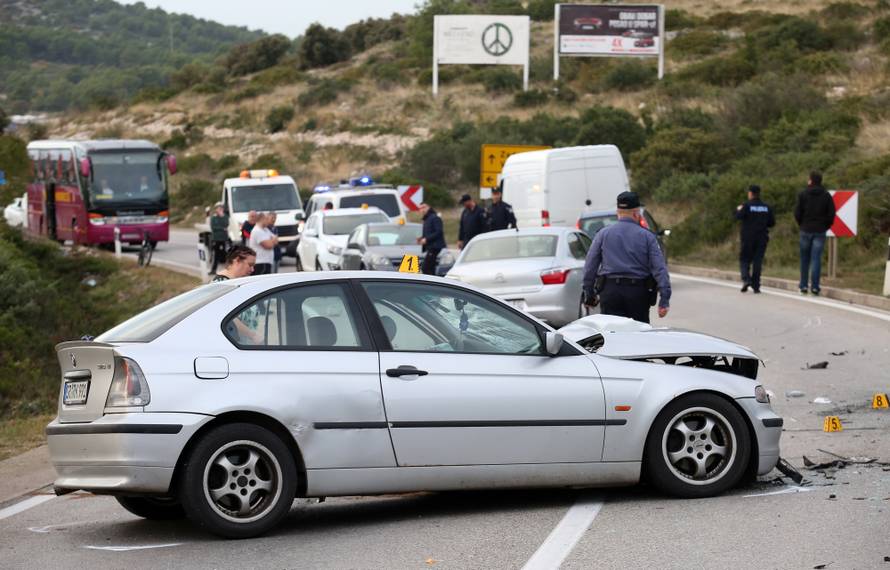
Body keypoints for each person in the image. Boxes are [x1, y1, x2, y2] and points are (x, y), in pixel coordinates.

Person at [582, 191, 671, 324]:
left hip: (610, 293)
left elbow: (590, 266)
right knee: (638, 336)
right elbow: (660, 269)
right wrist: (664, 300)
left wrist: (589, 294)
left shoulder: (603, 234)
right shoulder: (647, 237)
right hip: (638, 294)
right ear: (636, 213)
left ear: (618, 212)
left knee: (612, 336)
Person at [793, 171, 836, 295]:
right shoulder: (826, 195)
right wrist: (826, 226)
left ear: (811, 181)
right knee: (816, 259)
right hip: (820, 231)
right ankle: (815, 287)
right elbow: (831, 214)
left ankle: (803, 285)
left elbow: (797, 213)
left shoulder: (803, 194)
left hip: (805, 229)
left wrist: (801, 224)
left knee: (804, 259)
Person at [735, 185, 775, 294]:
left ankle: (746, 279)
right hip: (762, 237)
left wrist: (738, 209)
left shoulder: (746, 205)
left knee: (744, 259)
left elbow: (738, 216)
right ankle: (756, 285)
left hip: (748, 237)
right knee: (758, 261)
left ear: (751, 193)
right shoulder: (766, 207)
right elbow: (772, 223)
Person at [417, 202, 446, 276]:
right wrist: (421, 238)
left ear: (429, 207)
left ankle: (431, 283)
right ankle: (433, 282)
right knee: (430, 268)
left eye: (424, 207)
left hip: (435, 246)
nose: (422, 210)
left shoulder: (434, 218)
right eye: (420, 208)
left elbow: (439, 231)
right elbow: (428, 232)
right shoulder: (426, 219)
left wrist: (426, 239)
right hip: (430, 247)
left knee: (425, 268)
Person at [209, 203, 230, 275]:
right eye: (218, 209)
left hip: (224, 239)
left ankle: (228, 270)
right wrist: (222, 228)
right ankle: (213, 270)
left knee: (225, 255)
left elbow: (226, 225)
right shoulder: (213, 218)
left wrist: (222, 217)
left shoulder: (225, 217)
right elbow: (213, 227)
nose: (219, 210)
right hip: (216, 239)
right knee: (216, 255)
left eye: (220, 209)